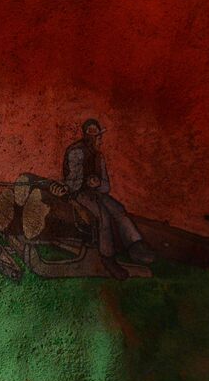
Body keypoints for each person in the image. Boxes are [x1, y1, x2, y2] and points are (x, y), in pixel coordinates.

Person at [50, 119, 156, 279]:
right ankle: (108, 259)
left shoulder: (99, 157)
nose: (100, 140)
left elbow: (106, 187)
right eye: (98, 137)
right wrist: (86, 182)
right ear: (90, 137)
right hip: (79, 194)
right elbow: (72, 183)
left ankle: (136, 244)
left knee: (119, 210)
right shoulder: (76, 152)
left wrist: (98, 184)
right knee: (103, 217)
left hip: (96, 193)